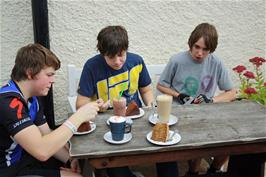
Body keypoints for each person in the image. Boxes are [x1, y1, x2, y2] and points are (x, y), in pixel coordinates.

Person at [76, 25, 179, 177]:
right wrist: (97, 106)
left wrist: (151, 104)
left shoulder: (136, 61)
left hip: (137, 120)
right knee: (114, 161)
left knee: (166, 148)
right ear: (101, 52)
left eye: (121, 55)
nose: (118, 62)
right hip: (108, 124)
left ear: (126, 49)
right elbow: (80, 103)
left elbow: (146, 90)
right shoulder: (92, 67)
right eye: (111, 57)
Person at [0, 44, 99, 177]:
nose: (53, 81)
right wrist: (78, 117)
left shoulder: (32, 98)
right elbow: (42, 151)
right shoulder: (9, 103)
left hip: (23, 161)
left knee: (80, 169)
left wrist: (70, 160)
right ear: (30, 73)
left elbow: (46, 135)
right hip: (7, 170)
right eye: (49, 75)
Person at [157, 23, 237, 175]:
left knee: (232, 140)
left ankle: (213, 170)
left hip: (207, 113)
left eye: (205, 49)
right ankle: (193, 172)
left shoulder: (216, 63)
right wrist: (178, 95)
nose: (199, 53)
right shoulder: (177, 60)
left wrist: (212, 100)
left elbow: (232, 92)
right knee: (198, 140)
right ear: (191, 43)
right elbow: (161, 85)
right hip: (181, 112)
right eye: (196, 47)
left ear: (211, 49)